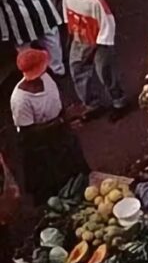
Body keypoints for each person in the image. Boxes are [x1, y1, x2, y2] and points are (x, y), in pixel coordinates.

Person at [10, 48, 89, 204]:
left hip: (61, 132)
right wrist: (61, 121)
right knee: (56, 182)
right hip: (43, 146)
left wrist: (65, 117)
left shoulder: (46, 77)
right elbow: (29, 132)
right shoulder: (20, 100)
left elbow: (56, 98)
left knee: (77, 171)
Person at [62, 0, 129, 120]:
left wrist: (93, 49)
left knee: (105, 72)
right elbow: (68, 17)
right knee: (77, 70)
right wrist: (70, 38)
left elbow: (107, 26)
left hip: (99, 42)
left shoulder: (96, 3)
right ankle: (92, 104)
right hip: (79, 38)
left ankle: (119, 102)